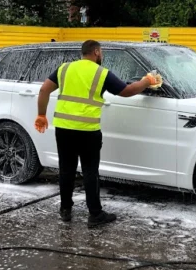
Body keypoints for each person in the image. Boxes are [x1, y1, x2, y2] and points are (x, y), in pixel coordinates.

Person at [34, 40, 162, 228]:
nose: (101, 55)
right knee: (90, 172)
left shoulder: (65, 68)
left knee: (66, 170)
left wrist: (41, 115)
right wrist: (147, 81)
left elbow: (44, 89)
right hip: (87, 131)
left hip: (64, 129)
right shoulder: (101, 73)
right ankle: (95, 214)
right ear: (95, 52)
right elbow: (126, 91)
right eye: (101, 52)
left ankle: (65, 211)